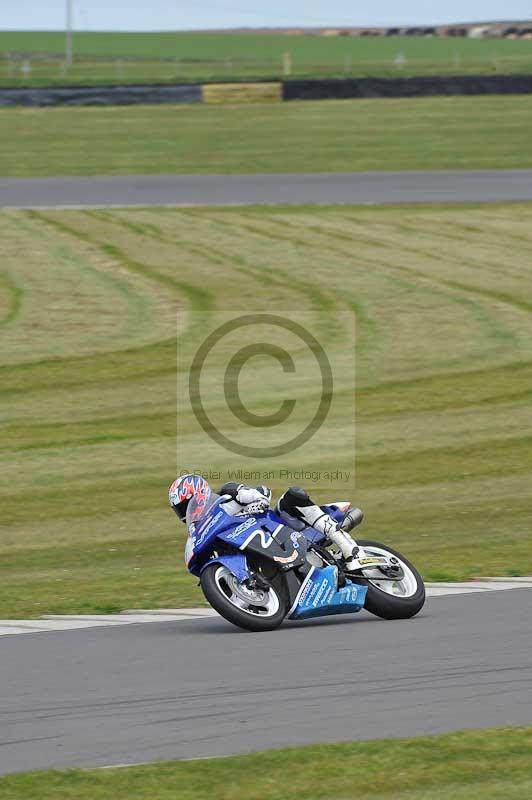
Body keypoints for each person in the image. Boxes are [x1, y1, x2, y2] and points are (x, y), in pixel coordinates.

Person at [169, 474, 361, 569]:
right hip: (261, 548)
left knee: (291, 497)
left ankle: (349, 548)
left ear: (199, 493)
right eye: (180, 509)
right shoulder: (202, 527)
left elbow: (262, 491)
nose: (185, 511)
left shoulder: (227, 495)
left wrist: (256, 503)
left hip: (280, 527)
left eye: (186, 504)